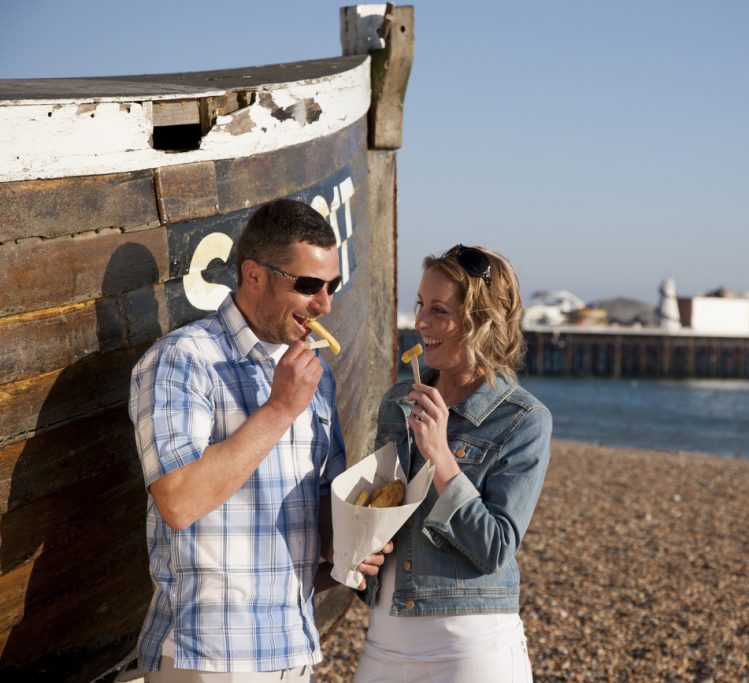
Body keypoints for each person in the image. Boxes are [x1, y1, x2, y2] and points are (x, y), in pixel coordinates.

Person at [129, 199, 389, 682]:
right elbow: (179, 501)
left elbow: (319, 513)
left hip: (294, 649)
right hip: (208, 658)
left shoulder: (316, 376)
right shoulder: (182, 361)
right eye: (308, 285)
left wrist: (355, 545)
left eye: (332, 285)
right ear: (253, 275)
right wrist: (279, 409)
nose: (326, 304)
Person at [354, 245, 552, 683]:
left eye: (439, 310)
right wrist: (359, 552)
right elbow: (376, 512)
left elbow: (495, 548)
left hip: (472, 648)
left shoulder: (523, 420)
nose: (420, 322)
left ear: (482, 322)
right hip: (386, 634)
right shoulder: (398, 402)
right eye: (420, 305)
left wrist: (441, 456)